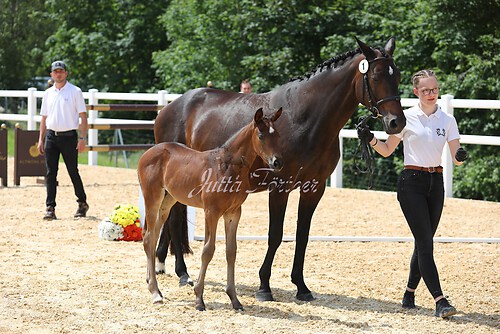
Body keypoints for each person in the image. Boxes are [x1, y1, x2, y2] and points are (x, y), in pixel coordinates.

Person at [357, 69, 468, 318]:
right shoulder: (405, 118)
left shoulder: (447, 120)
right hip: (411, 183)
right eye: (426, 90)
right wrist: (372, 139)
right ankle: (440, 301)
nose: (431, 94)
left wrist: (460, 156)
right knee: (426, 244)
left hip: (435, 182)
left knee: (423, 242)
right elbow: (387, 150)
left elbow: (456, 156)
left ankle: (409, 293)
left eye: (435, 89)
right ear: (416, 91)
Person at [37, 60, 90, 220]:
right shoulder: (48, 93)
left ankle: (82, 203)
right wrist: (41, 139)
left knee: (73, 171)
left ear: (66, 73)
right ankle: (50, 207)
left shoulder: (75, 91)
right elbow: (44, 118)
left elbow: (83, 116)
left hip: (69, 137)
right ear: (51, 74)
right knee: (50, 173)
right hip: (52, 137)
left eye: (61, 71)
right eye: (55, 71)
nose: (58, 74)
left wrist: (82, 138)